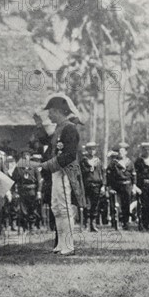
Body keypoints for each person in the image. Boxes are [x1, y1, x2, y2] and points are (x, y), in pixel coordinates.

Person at [35, 93, 86, 255]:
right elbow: (45, 141)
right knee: (57, 208)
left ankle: (69, 245)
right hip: (57, 172)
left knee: (65, 209)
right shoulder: (60, 128)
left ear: (57, 111)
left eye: (50, 111)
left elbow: (70, 155)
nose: (49, 114)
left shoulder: (69, 129)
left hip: (65, 173)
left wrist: (49, 165)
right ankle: (61, 244)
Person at [106, 142, 139, 230]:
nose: (121, 153)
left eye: (122, 151)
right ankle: (114, 223)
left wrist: (134, 186)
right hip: (117, 185)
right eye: (119, 151)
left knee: (126, 204)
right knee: (115, 205)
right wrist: (109, 187)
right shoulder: (113, 163)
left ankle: (125, 223)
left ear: (126, 152)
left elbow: (133, 174)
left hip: (127, 185)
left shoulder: (130, 162)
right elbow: (108, 175)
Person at [11, 149, 42, 232]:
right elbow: (13, 180)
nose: (26, 157)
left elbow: (39, 180)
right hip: (22, 190)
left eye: (27, 155)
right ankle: (25, 227)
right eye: (24, 155)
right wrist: (14, 192)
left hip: (32, 190)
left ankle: (32, 226)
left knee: (33, 209)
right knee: (23, 210)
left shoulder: (34, 167)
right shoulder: (18, 168)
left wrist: (39, 191)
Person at [81, 142, 105, 232]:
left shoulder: (98, 161)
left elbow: (102, 173)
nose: (92, 151)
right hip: (87, 184)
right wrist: (89, 168)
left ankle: (93, 224)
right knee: (87, 205)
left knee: (95, 205)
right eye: (90, 149)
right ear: (87, 150)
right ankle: (86, 224)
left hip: (97, 185)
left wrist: (103, 186)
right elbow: (82, 172)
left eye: (93, 149)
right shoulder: (83, 160)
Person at [135, 142, 149, 231]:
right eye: (144, 149)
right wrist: (143, 181)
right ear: (142, 150)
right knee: (142, 204)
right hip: (142, 185)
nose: (146, 151)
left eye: (148, 149)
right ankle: (142, 223)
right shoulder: (138, 161)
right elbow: (137, 174)